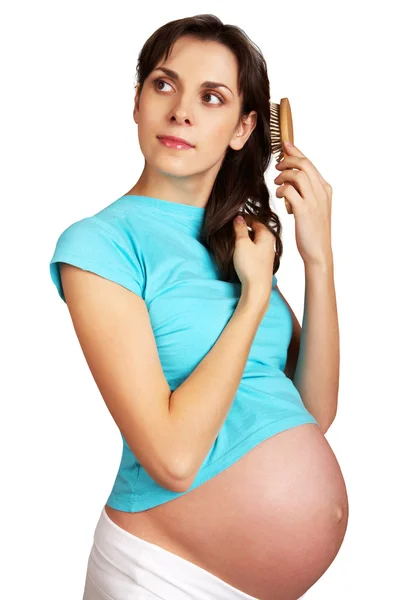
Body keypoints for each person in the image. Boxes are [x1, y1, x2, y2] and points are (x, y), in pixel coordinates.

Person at [49, 13, 349, 600]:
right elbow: (173, 460)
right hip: (160, 577)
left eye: (211, 97)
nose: (181, 110)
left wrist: (319, 260)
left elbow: (311, 413)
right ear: (137, 101)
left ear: (242, 129)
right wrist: (253, 300)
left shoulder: (236, 237)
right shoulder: (100, 245)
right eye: (164, 84)